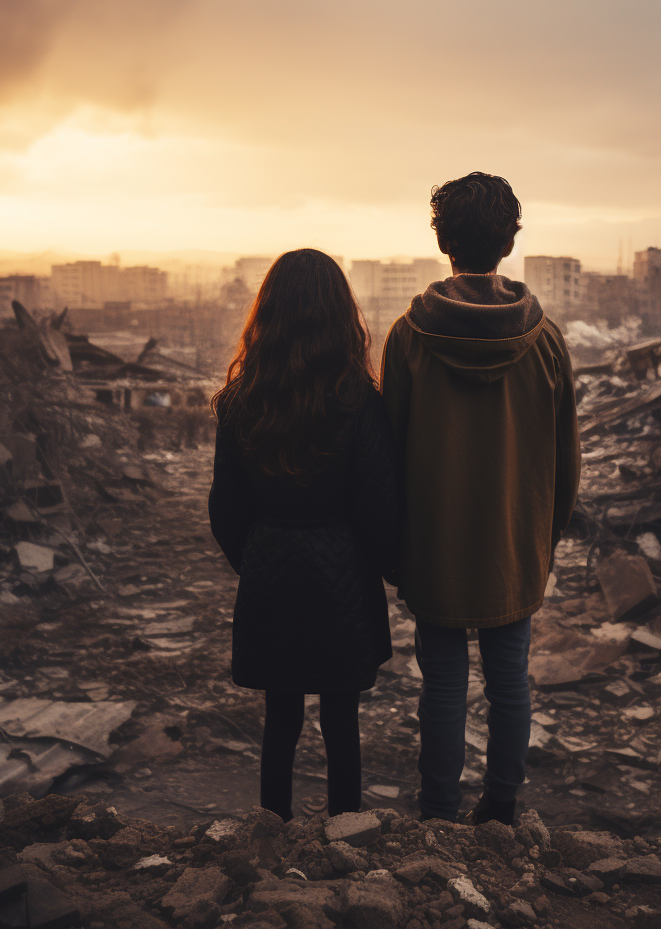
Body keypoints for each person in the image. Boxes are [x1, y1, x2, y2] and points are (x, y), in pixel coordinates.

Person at [380, 172, 581, 825]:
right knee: (509, 682)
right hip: (514, 543)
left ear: (442, 240)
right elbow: (567, 461)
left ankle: (436, 811)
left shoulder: (410, 338)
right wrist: (542, 540)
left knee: (441, 683)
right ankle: (500, 808)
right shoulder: (546, 339)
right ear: (511, 238)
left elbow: (388, 454)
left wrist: (395, 547)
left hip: (433, 546)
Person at [209, 248, 400, 822]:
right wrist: (385, 567)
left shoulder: (242, 402)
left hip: (271, 572)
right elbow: (379, 508)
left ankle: (273, 833)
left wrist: (262, 557)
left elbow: (224, 511)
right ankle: (346, 834)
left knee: (280, 719)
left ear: (267, 314)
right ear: (342, 317)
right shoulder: (360, 402)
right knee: (343, 721)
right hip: (343, 579)